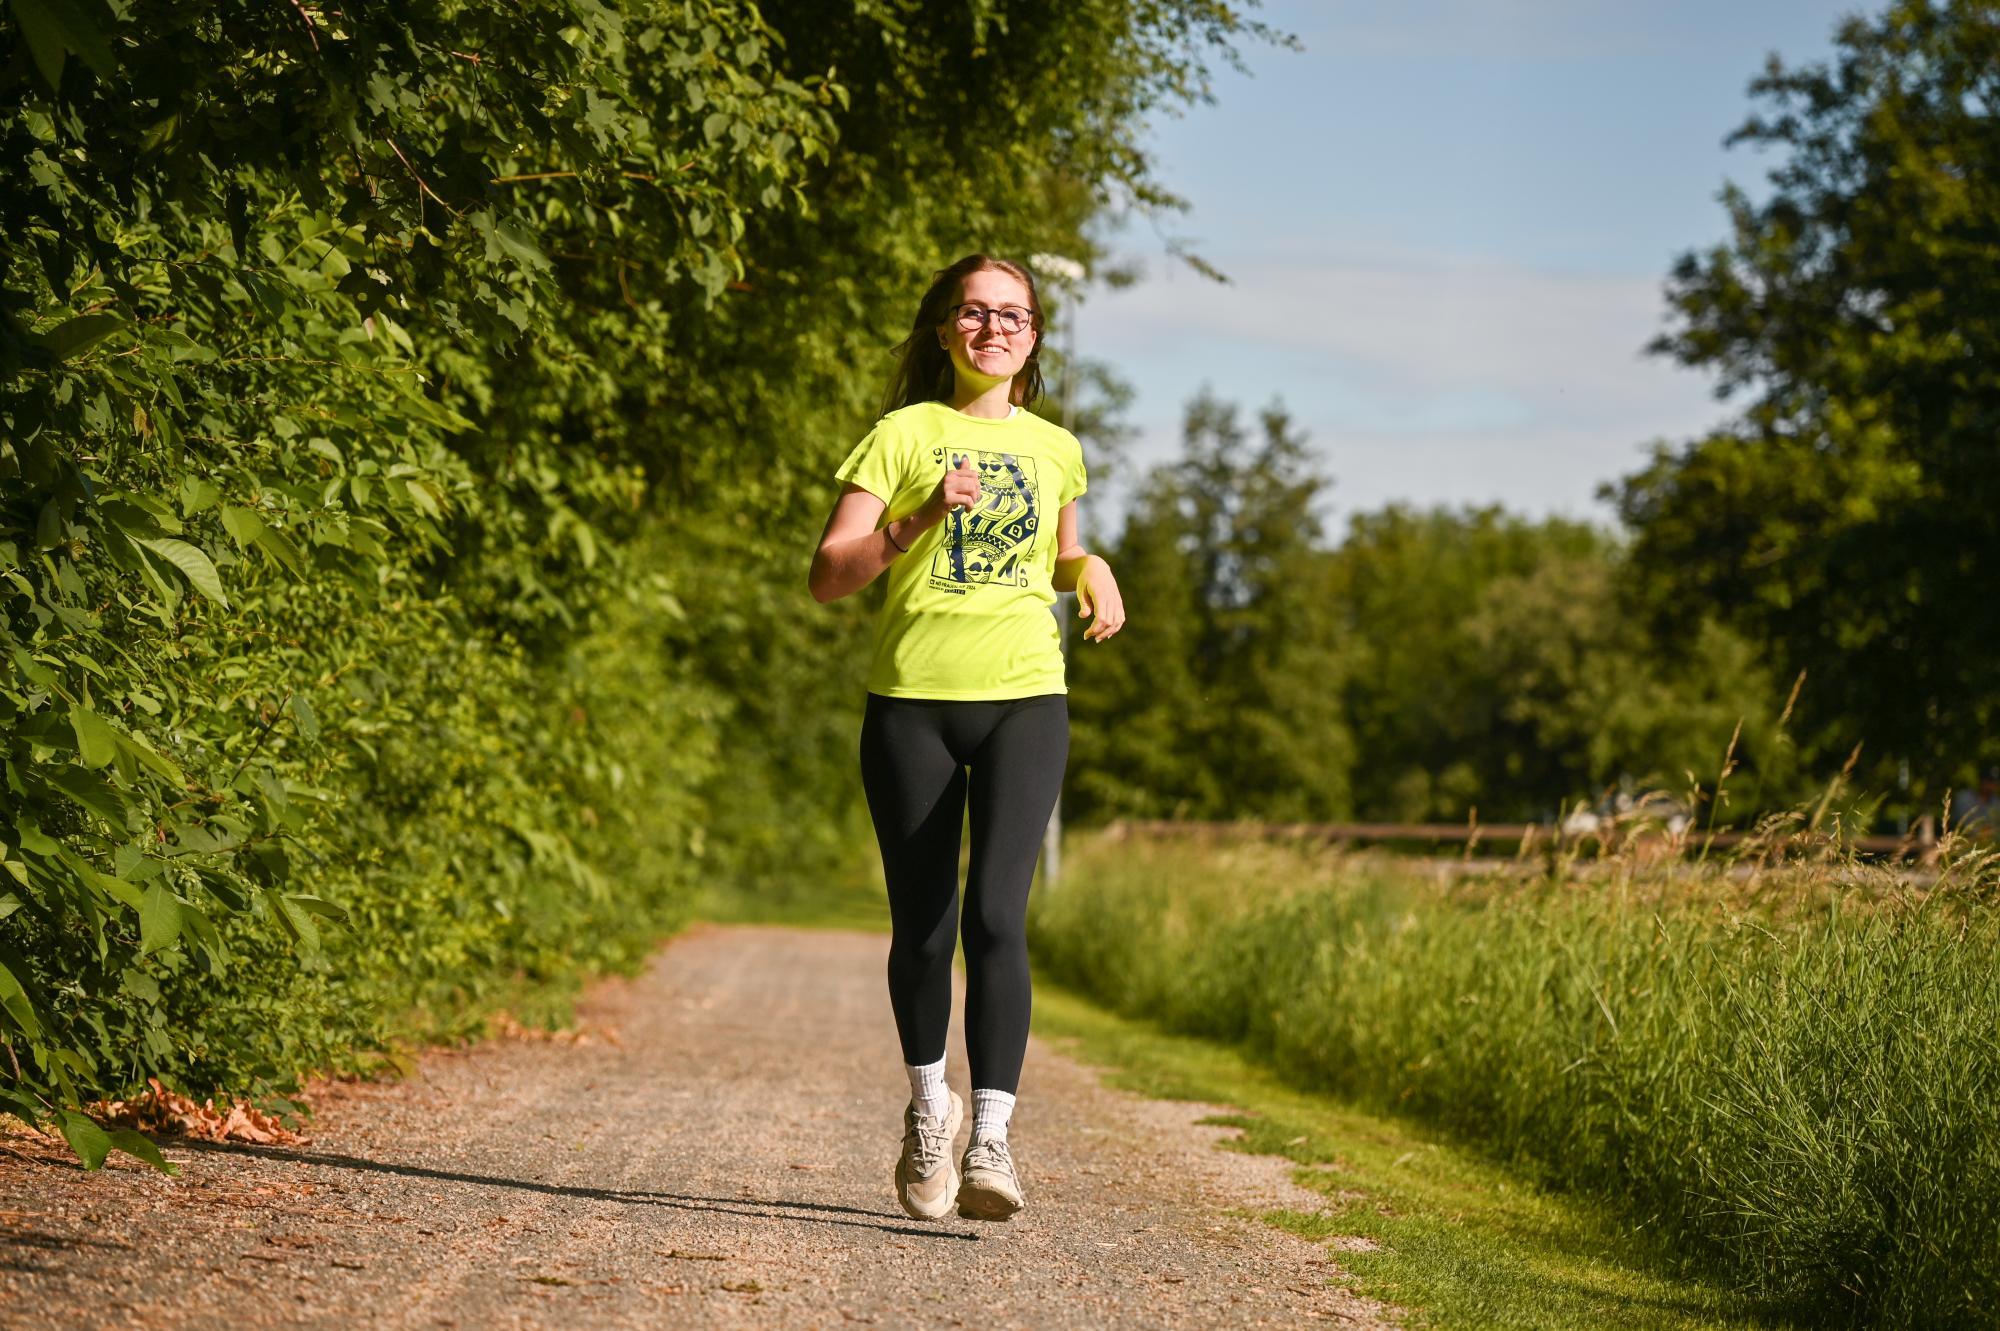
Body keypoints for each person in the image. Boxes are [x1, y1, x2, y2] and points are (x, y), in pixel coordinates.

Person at [807, 254, 1125, 1222]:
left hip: (1027, 696)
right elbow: (828, 572)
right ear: (944, 328)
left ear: (1033, 335)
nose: (994, 328)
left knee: (995, 916)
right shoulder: (902, 434)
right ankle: (926, 1108)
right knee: (924, 926)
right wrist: (913, 523)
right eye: (975, 313)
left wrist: (1092, 568)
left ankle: (990, 1136)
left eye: (1013, 315)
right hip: (911, 704)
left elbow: (1060, 549)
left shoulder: (1056, 446)